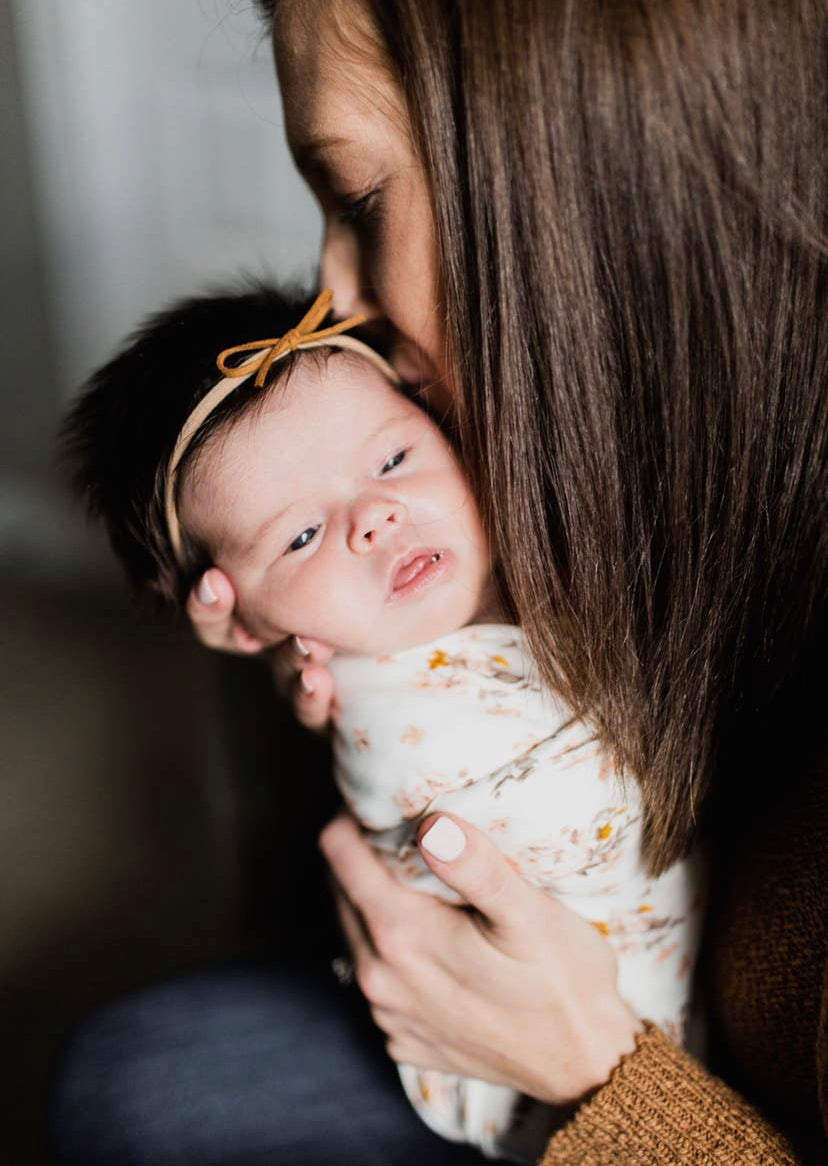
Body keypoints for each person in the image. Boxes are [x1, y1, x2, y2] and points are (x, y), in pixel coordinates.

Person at [51, 0, 826, 1163]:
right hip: (531, 1035)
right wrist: (338, 655)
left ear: (601, 176)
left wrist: (597, 1071)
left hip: (653, 1095)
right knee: (135, 1066)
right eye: (305, 535)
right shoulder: (552, 452)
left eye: (359, 199)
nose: (333, 299)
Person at [60, 281, 702, 1162]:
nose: (374, 519)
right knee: (119, 1076)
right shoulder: (408, 724)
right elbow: (615, 789)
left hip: (646, 1041)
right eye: (300, 537)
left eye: (393, 460)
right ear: (241, 618)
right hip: (548, 1091)